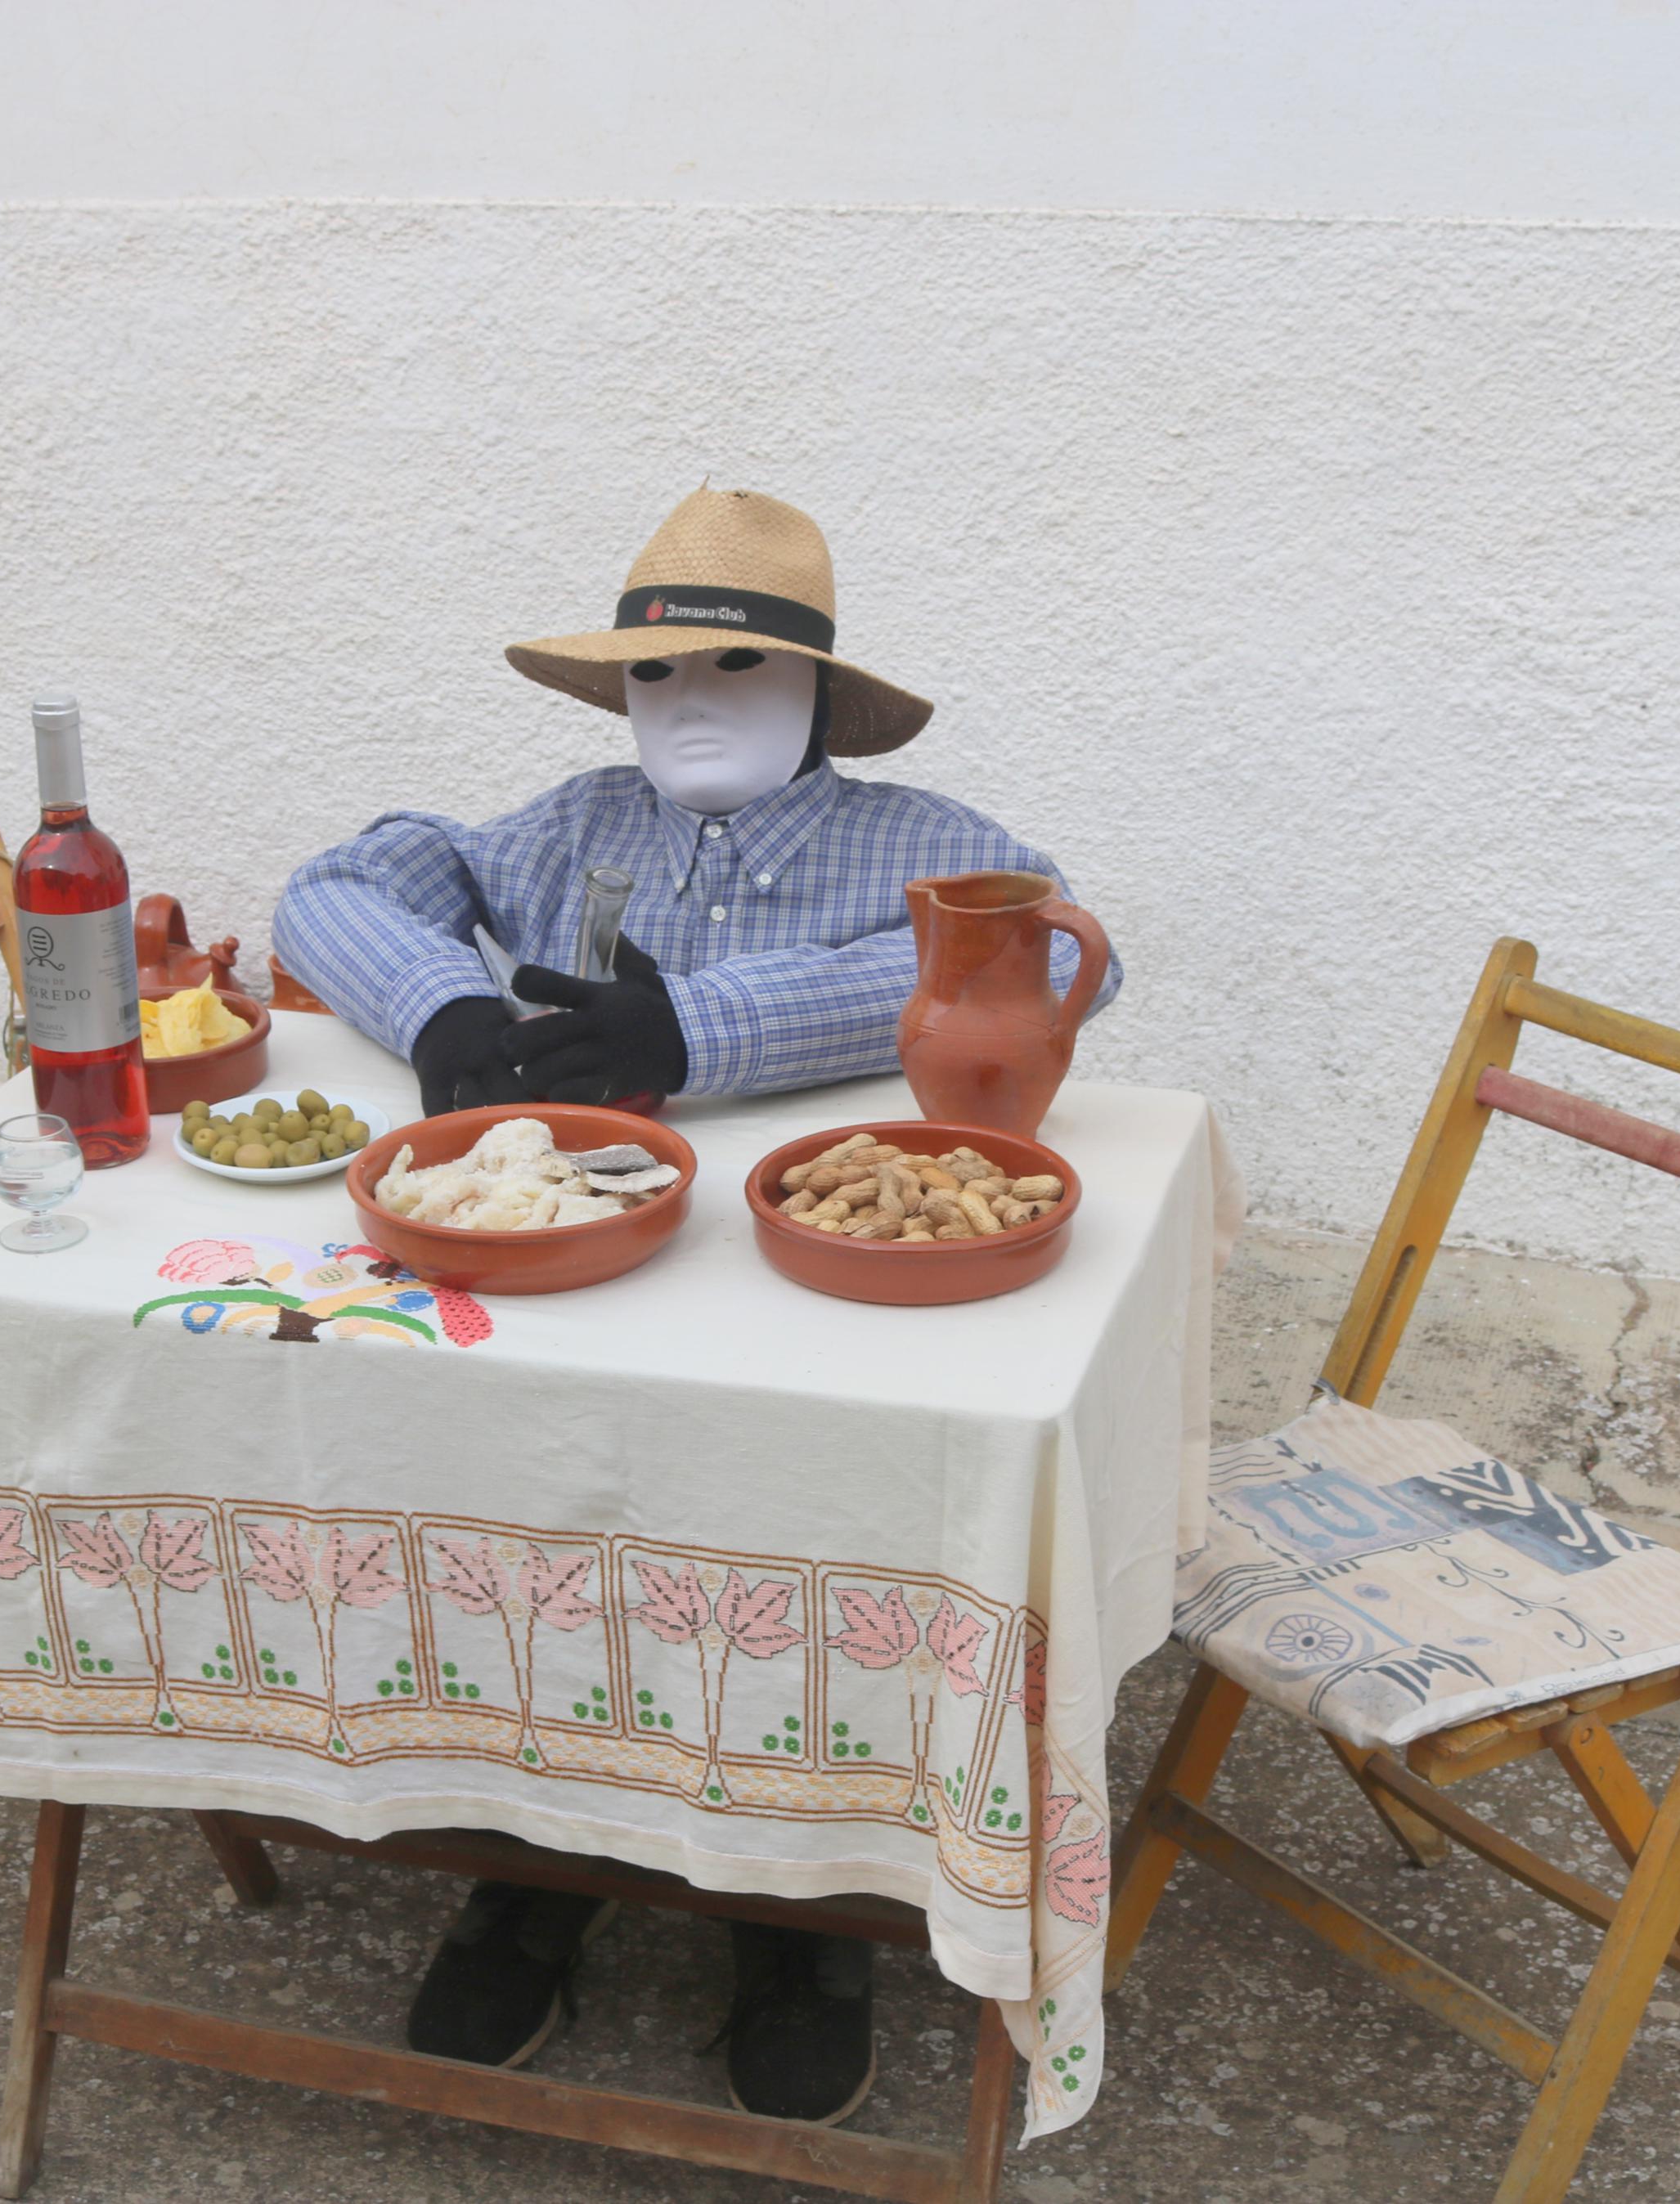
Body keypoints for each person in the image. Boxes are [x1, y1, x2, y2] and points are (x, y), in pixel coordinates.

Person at [272, 485, 1118, 2125]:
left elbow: (1058, 963)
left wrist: (709, 1029)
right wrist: (438, 1006)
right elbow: (335, 883)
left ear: (820, 695)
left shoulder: (933, 844)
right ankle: (539, 1846)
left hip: (830, 1304)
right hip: (565, 1293)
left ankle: (810, 1908)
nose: (693, 702)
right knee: (522, 1523)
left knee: (809, 1534)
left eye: (737, 664)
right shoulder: (566, 825)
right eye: (655, 675)